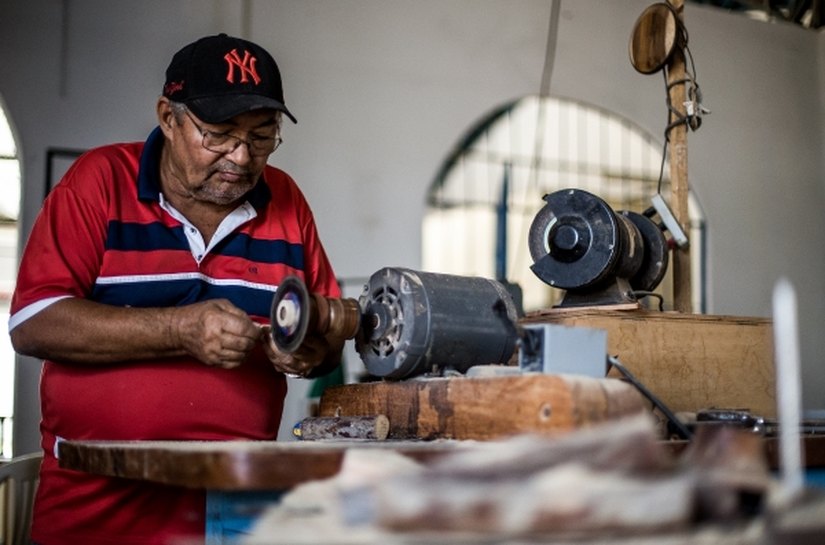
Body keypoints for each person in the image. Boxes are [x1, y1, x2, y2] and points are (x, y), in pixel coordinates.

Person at [8, 33, 342, 545]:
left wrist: (306, 352)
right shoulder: (99, 182)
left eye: (261, 136)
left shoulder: (287, 201)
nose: (240, 156)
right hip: (99, 507)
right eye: (219, 134)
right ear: (168, 117)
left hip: (237, 502)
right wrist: (179, 329)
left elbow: (326, 331)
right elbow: (33, 321)